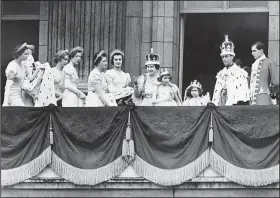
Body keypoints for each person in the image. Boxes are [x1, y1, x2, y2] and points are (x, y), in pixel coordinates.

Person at [212, 35, 250, 106]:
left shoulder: (240, 73)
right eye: (222, 57)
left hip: (234, 107)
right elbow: (216, 95)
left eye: (226, 56)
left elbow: (242, 96)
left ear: (232, 56)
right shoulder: (220, 74)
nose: (224, 59)